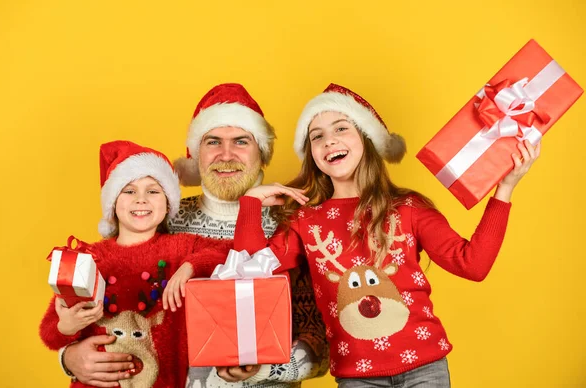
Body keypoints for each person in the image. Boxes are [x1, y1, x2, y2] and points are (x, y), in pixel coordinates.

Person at [234, 83, 540, 387]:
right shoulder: (306, 221)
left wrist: (506, 188)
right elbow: (249, 274)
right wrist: (250, 203)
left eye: (341, 129)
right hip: (357, 378)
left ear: (366, 140)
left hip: (426, 369)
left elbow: (472, 264)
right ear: (311, 153)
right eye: (317, 136)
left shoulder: (408, 208)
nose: (329, 141)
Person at [60, 83, 328, 387]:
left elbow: (321, 341)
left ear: (262, 153)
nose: (226, 154)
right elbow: (116, 305)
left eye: (241, 141)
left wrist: (262, 370)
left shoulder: (293, 223)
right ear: (196, 153)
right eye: (213, 141)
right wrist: (70, 357)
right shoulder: (163, 217)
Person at [40, 140, 232, 387]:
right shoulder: (88, 259)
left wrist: (191, 265)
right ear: (112, 204)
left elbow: (229, 253)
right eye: (129, 191)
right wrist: (66, 327)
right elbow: (49, 334)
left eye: (153, 191)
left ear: (168, 203)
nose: (141, 200)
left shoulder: (181, 248)